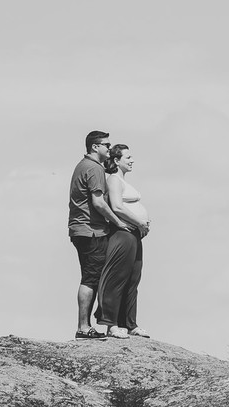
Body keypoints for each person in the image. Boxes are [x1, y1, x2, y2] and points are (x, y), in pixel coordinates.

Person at [68, 130, 133, 340]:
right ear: (95, 147)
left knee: (92, 276)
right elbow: (98, 203)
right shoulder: (94, 168)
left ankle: (88, 325)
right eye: (106, 145)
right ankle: (83, 327)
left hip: (83, 229)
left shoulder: (84, 165)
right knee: (91, 278)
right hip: (90, 231)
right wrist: (118, 222)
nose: (109, 148)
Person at [96, 143, 151, 339]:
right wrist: (140, 222)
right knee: (117, 278)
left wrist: (141, 225)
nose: (132, 160)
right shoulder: (114, 180)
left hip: (134, 234)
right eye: (128, 157)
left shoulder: (123, 181)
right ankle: (111, 325)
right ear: (117, 160)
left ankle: (129, 323)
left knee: (133, 278)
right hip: (123, 234)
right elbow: (117, 207)